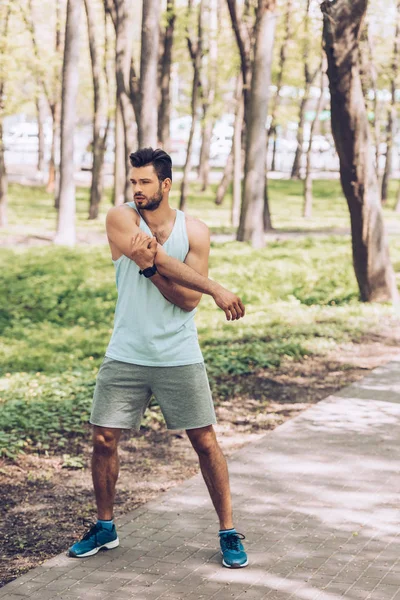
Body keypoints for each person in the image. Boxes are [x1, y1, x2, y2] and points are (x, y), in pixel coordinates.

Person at [68, 147, 248, 568]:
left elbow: (185, 302)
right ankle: (105, 527)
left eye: (145, 182)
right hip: (125, 352)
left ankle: (228, 531)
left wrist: (152, 270)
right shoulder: (121, 218)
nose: (137, 189)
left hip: (178, 354)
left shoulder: (196, 230)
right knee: (103, 439)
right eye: (133, 181)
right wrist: (216, 288)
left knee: (205, 442)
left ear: (166, 185)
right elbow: (161, 261)